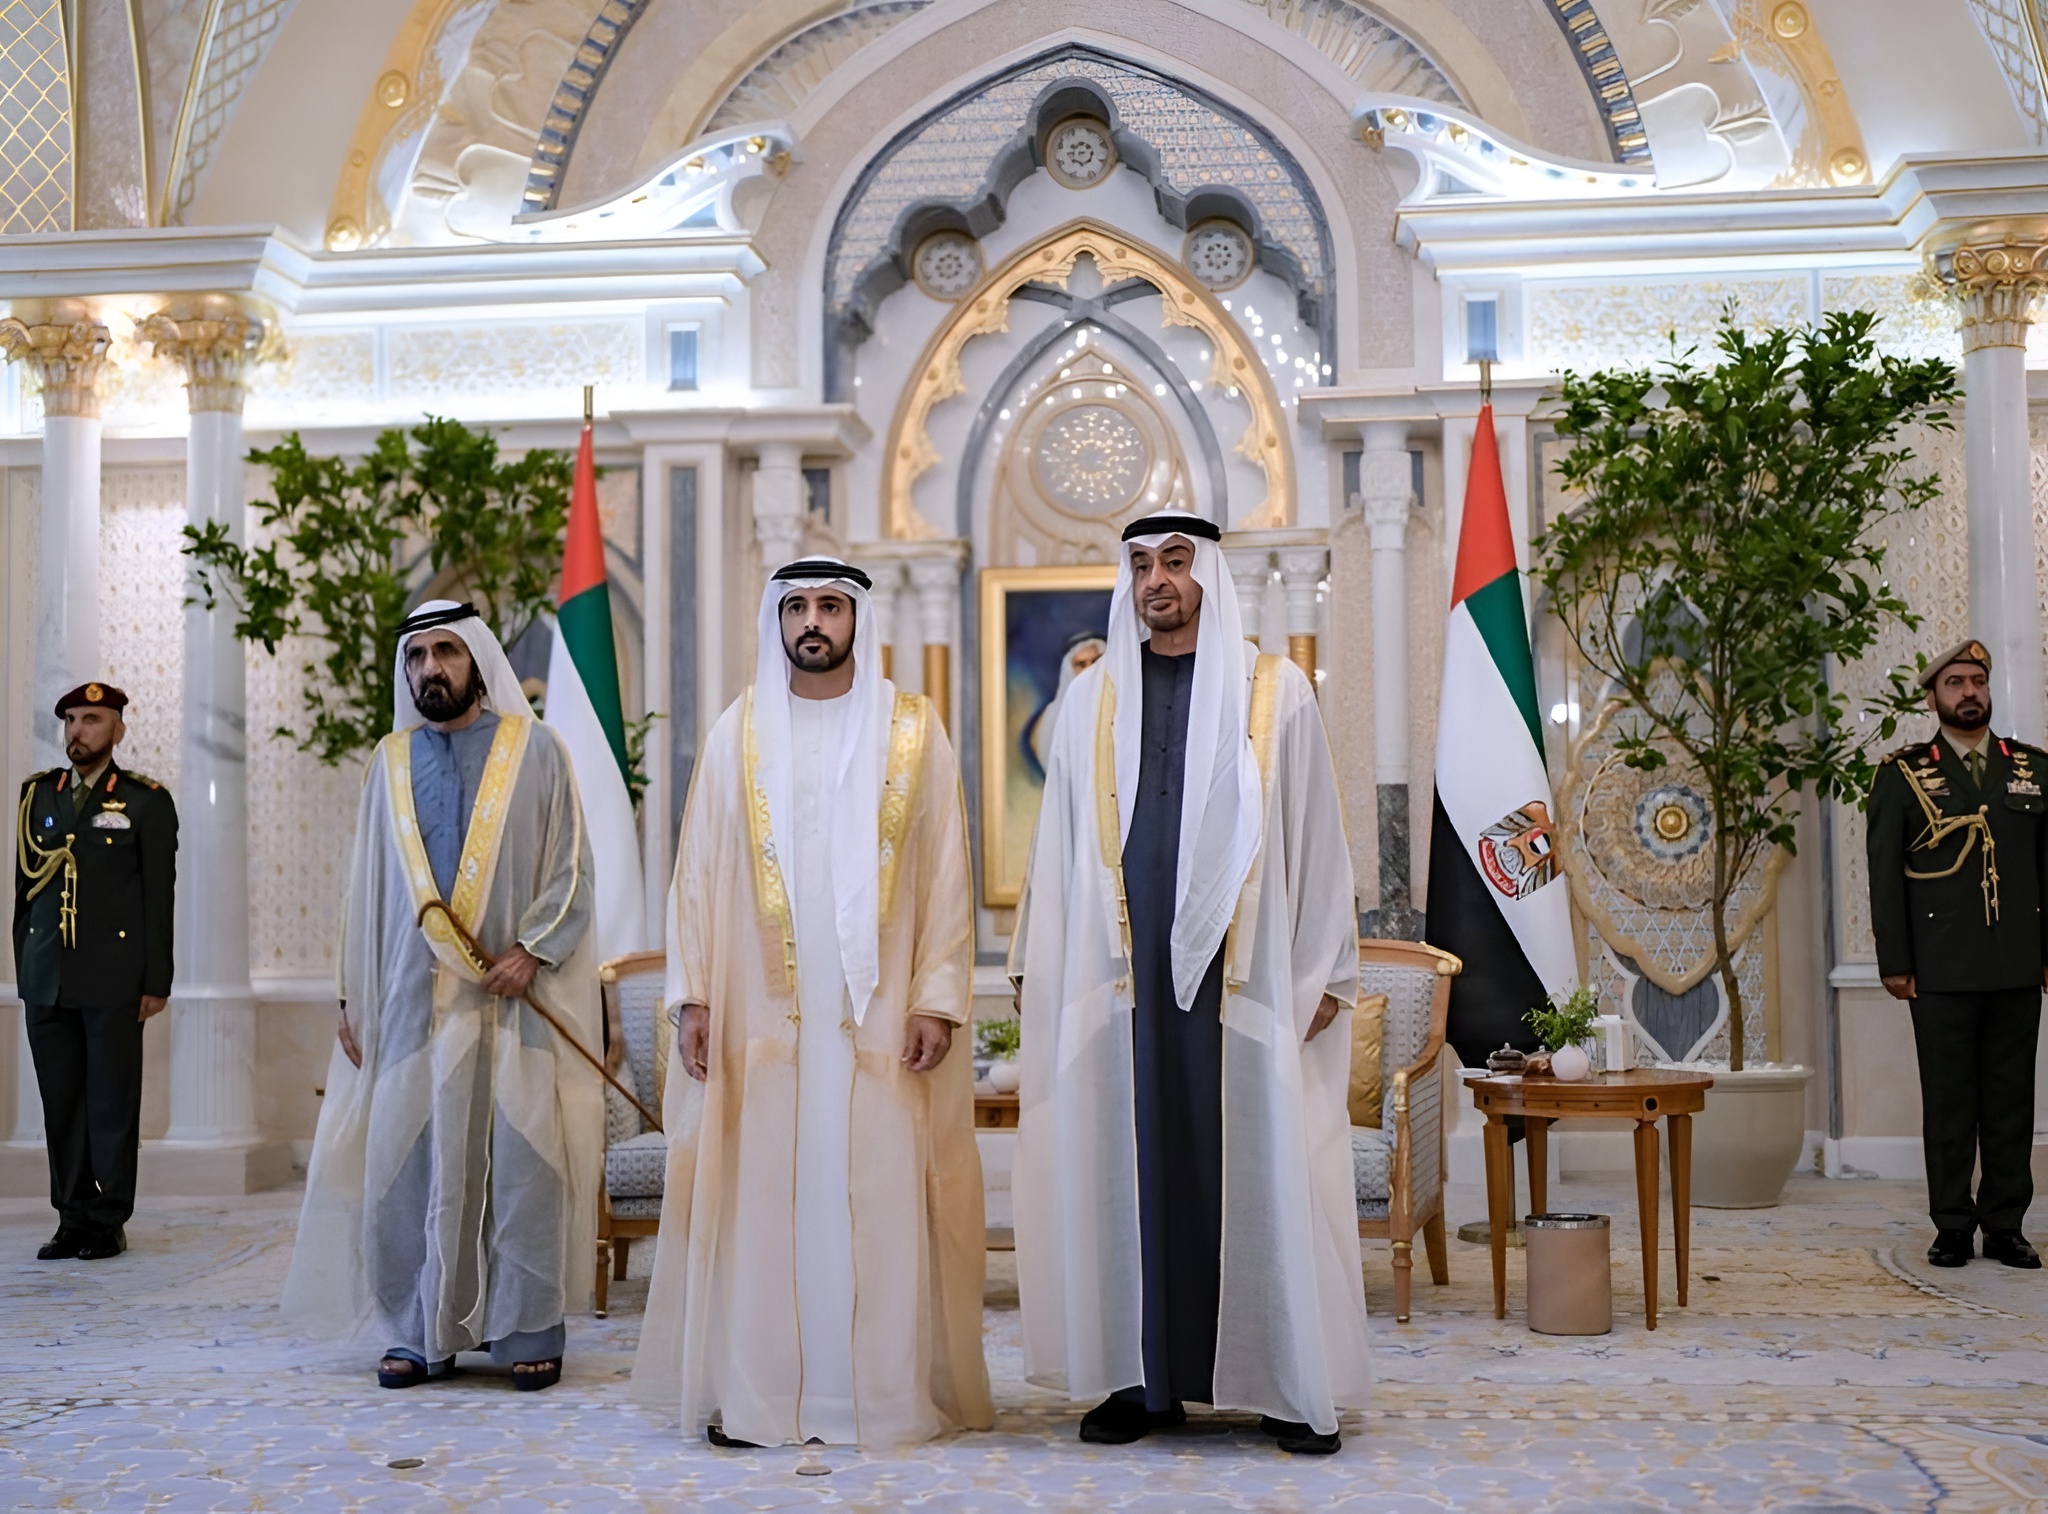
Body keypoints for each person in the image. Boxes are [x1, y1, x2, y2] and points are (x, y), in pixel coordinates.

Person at [1010, 511, 1367, 1455]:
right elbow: (1054, 852)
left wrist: (1326, 965)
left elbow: (1316, 836)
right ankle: (1140, 1382)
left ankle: (1284, 1382)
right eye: (1140, 564)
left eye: (1174, 561)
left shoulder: (1274, 692)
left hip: (1240, 986)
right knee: (1129, 1175)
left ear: (1208, 571)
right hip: (1121, 991)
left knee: (1255, 1169)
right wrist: (1033, 965)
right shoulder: (1092, 702)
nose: (1156, 579)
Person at [633, 557, 992, 1450]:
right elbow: (696, 876)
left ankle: (876, 1400)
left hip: (878, 1017)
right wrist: (695, 999)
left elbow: (948, 871)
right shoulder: (738, 732)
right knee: (765, 1203)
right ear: (777, 620)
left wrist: (938, 999)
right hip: (763, 1016)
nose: (813, 621)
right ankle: (761, 1400)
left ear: (857, 619)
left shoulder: (914, 730)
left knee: (876, 1194)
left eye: (830, 605)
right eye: (796, 606)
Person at [283, 601, 602, 1390]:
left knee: (522, 1164)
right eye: (417, 656)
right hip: (408, 1008)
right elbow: (365, 894)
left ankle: (528, 1327)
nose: (430, 668)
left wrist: (533, 949)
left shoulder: (539, 753)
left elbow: (571, 867)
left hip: (509, 1004)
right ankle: (417, 1331)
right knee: (405, 1167)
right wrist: (350, 998)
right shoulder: (387, 763)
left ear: (478, 660)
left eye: (446, 652)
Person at [1867, 638, 2048, 1271]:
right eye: (1955, 683)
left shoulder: (2032, 769)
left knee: (2010, 1100)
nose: (1969, 691)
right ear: (1934, 696)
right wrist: (1896, 960)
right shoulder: (1903, 773)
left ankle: (2005, 1226)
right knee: (1949, 1103)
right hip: (1940, 967)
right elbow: (1885, 873)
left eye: (1977, 680)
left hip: (2018, 964)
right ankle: (1951, 1225)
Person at [13, 682, 177, 1262]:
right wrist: (23, 969)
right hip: (47, 975)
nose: (78, 731)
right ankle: (72, 1217)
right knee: (60, 1104)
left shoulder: (145, 801)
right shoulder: (38, 797)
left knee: (109, 1103)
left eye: (92, 720)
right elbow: (24, 896)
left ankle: (108, 1219)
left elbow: (159, 897)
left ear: (118, 730)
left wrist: (158, 979)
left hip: (113, 975)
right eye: (73, 720)